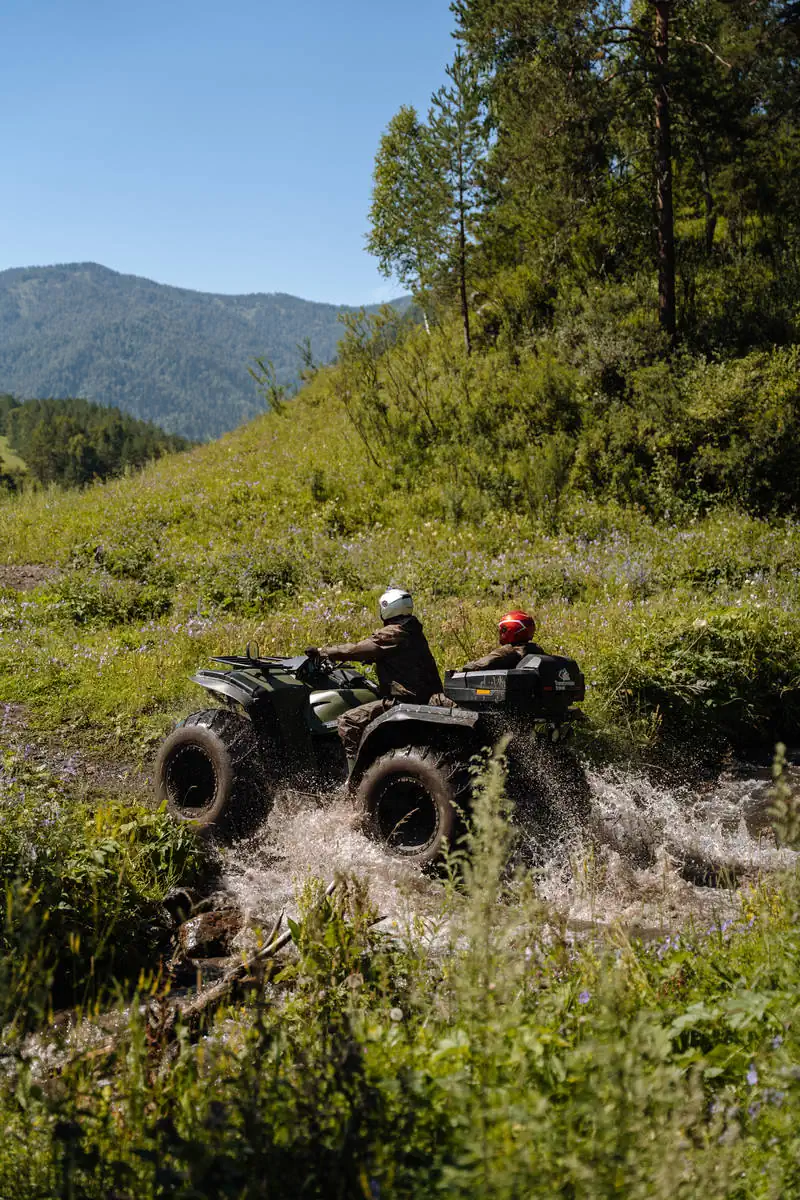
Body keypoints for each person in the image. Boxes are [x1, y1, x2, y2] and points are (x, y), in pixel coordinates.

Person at [305, 588, 444, 763]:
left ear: (387, 608)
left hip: (405, 701)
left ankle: (355, 779)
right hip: (427, 698)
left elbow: (354, 650)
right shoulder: (412, 628)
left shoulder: (392, 633)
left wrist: (322, 651)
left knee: (349, 721)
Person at [461, 609, 544, 671]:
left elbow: (479, 665)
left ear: (509, 630)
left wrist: (462, 669)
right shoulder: (538, 651)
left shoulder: (508, 651)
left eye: (502, 630)